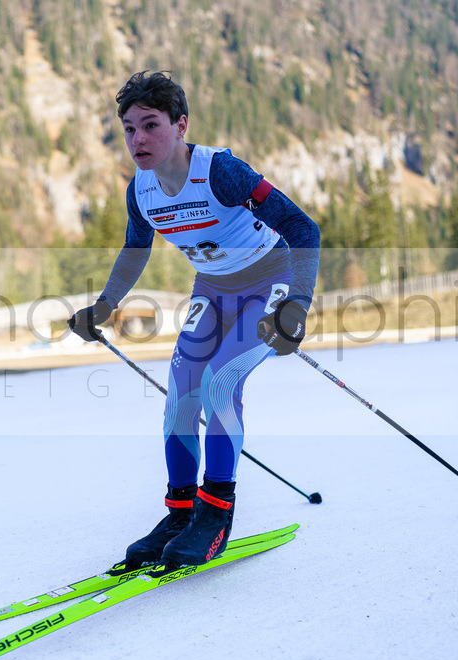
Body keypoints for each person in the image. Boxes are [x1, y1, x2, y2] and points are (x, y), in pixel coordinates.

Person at [67, 71, 320, 568]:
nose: (137, 139)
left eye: (150, 125)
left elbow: (301, 227)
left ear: (181, 125)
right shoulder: (140, 189)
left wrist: (298, 304)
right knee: (181, 393)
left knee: (220, 384)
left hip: (268, 285)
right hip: (212, 290)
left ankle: (215, 514)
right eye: (128, 128)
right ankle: (180, 513)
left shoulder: (221, 172)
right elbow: (136, 248)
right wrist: (104, 304)